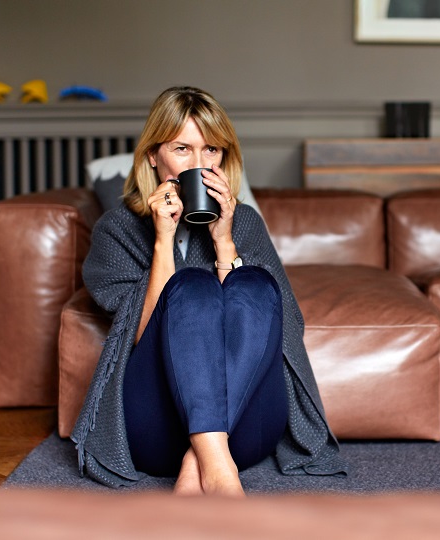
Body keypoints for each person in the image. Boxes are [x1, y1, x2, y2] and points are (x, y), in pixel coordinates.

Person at [71, 86, 347, 495]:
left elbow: (285, 326)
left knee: (254, 282)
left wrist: (224, 242)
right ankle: (221, 477)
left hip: (248, 430)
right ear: (153, 155)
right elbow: (139, 336)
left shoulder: (245, 222)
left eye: (212, 150)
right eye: (183, 149)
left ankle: (201, 461)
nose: (200, 164)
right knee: (191, 286)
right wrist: (163, 240)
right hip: (156, 427)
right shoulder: (118, 228)